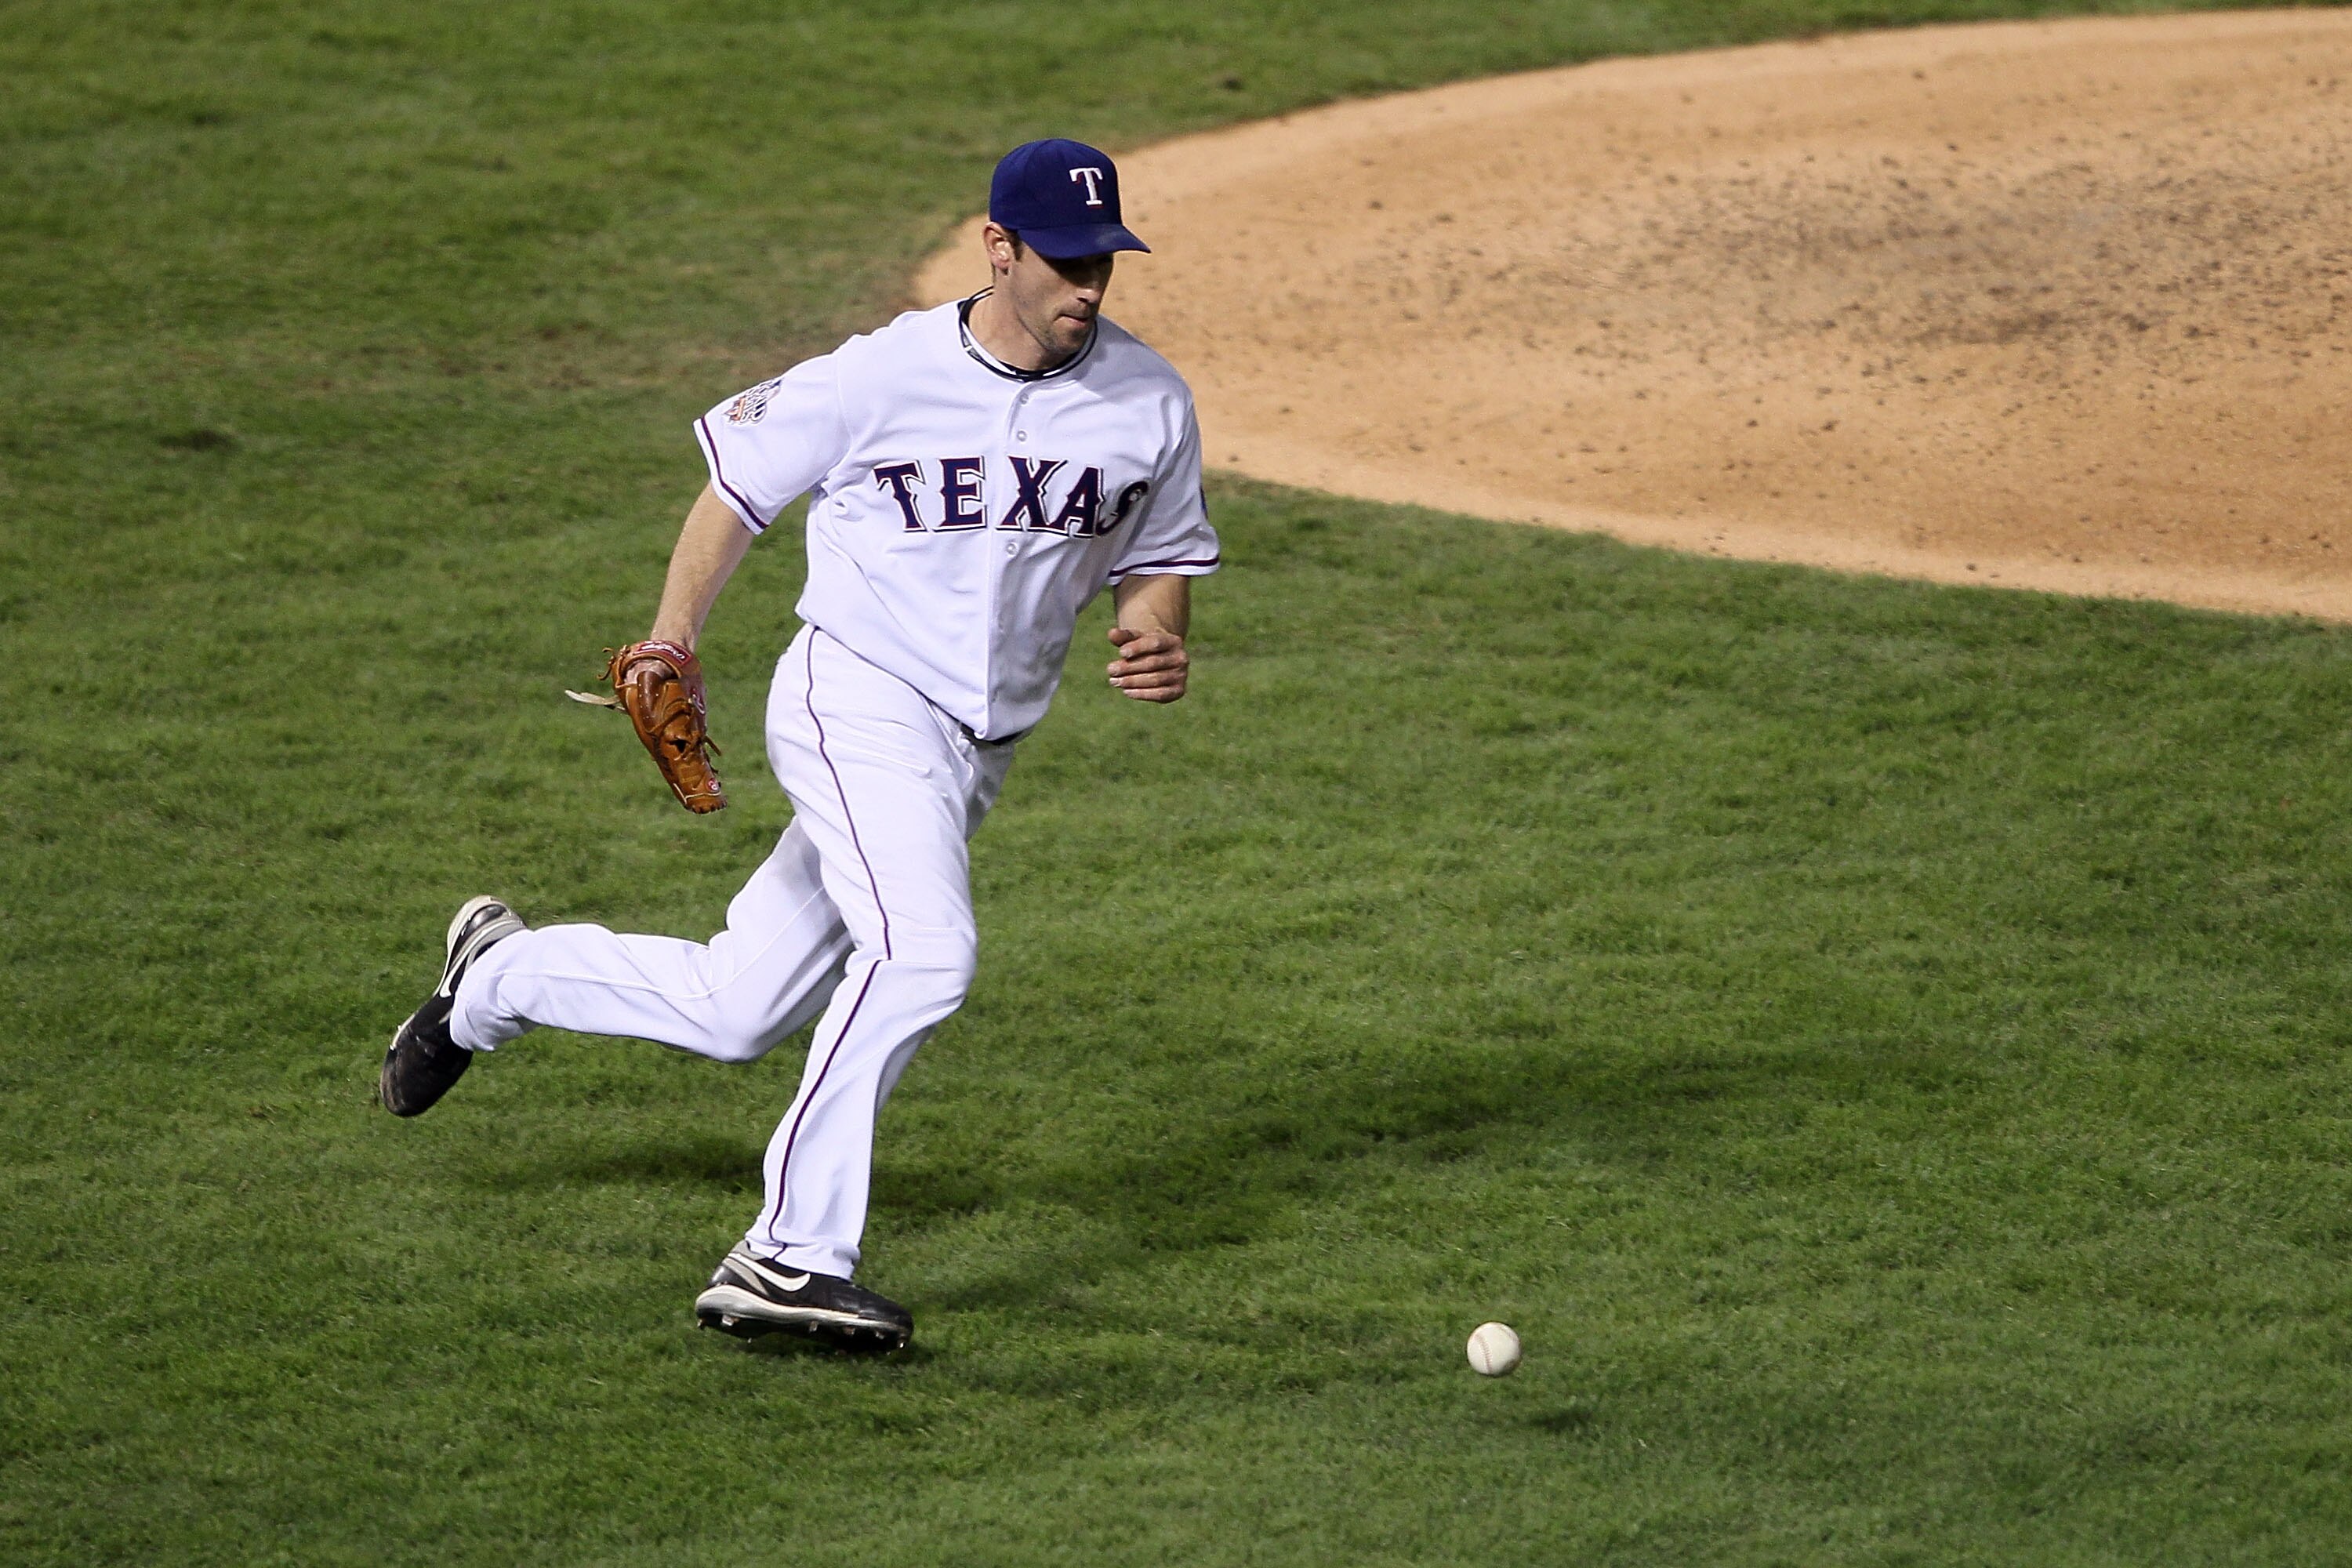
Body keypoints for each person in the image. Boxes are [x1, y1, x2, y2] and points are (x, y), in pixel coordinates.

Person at [377, 139, 1218, 1352]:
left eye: (1104, 262)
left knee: (738, 1005)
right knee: (925, 955)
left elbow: (1162, 555)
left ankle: (491, 982)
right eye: (1066, 262)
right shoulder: (886, 372)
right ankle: (788, 1256)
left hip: (973, 753)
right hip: (856, 702)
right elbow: (737, 490)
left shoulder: (1150, 400)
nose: (1089, 287)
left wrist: (1157, 638)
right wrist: (672, 640)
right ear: (1001, 248)